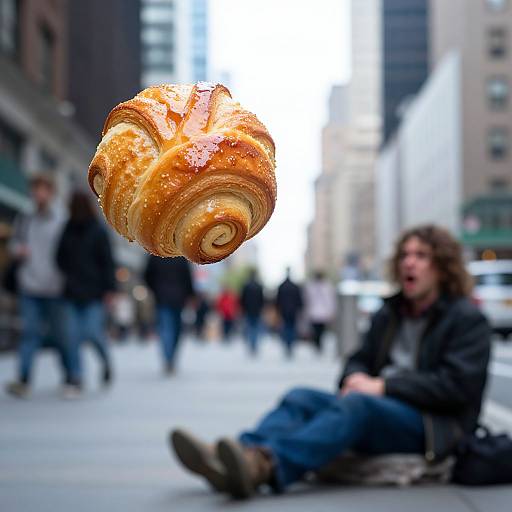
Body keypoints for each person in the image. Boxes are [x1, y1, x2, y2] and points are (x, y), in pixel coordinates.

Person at [169, 224, 491, 499]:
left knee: (358, 407)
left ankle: (266, 466)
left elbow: (457, 386)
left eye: (421, 256)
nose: (410, 263)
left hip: (433, 426)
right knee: (300, 397)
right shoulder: (390, 312)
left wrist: (383, 386)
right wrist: (355, 377)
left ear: (442, 267)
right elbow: (358, 359)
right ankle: (236, 457)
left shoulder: (465, 318)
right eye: (405, 255)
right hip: (382, 407)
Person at [5, 173, 71, 398]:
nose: (37, 193)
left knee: (62, 335)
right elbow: (13, 244)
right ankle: (23, 380)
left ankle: (72, 377)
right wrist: (18, 251)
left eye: (42, 189)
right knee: (29, 333)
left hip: (56, 287)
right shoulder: (25, 218)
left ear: (51, 192)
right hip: (30, 285)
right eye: (35, 189)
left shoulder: (62, 219)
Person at [56, 190, 116, 391]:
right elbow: (59, 257)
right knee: (70, 336)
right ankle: (75, 376)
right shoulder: (68, 228)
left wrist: (109, 289)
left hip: (93, 293)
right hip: (71, 292)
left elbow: (107, 262)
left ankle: (105, 360)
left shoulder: (98, 231)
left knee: (92, 332)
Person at [144, 255, 194, 374]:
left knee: (167, 329)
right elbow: (188, 278)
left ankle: (168, 358)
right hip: (177, 299)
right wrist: (190, 295)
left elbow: (147, 275)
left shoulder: (155, 254)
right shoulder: (181, 255)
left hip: (163, 298)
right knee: (174, 330)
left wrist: (155, 289)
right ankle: (170, 358)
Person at [304, 270, 337, 353]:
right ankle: (318, 344)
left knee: (319, 331)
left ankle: (318, 344)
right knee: (318, 331)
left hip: (319, 312)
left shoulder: (325, 286)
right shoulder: (321, 286)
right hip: (318, 312)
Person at [275, 267, 303, 357]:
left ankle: (287, 344)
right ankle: (290, 345)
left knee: (286, 328)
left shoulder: (282, 286)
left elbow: (278, 300)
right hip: (293, 311)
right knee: (292, 328)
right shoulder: (295, 286)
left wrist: (278, 310)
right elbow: (299, 300)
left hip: (284, 311)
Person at [240, 268, 265, 355]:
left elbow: (242, 300)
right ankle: (254, 345)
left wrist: (243, 309)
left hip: (248, 310)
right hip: (257, 311)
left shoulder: (246, 286)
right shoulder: (259, 286)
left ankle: (251, 345)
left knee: (250, 328)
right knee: (256, 329)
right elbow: (262, 300)